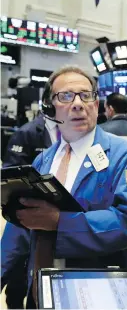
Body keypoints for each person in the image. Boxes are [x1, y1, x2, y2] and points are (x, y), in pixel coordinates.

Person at [1, 65, 127, 308]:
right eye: (66, 96)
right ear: (50, 108)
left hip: (97, 293)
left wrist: (61, 222)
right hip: (41, 287)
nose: (78, 103)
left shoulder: (123, 155)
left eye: (86, 95)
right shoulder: (44, 160)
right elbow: (21, 223)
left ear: (97, 105)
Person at [2, 105, 59, 309]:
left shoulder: (74, 139)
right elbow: (9, 176)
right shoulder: (27, 133)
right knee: (18, 276)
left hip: (57, 228)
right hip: (25, 218)